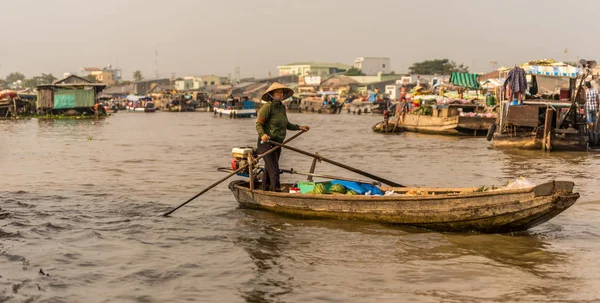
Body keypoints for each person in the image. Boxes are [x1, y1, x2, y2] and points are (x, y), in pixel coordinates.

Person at [256, 82, 310, 192]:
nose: (280, 95)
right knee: (274, 170)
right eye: (277, 93)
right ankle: (275, 190)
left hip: (277, 143)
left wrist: (299, 127)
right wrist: (263, 135)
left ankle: (265, 188)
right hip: (266, 143)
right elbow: (259, 124)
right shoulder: (267, 107)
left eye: (281, 93)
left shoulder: (281, 108)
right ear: (271, 94)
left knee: (269, 168)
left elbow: (287, 124)